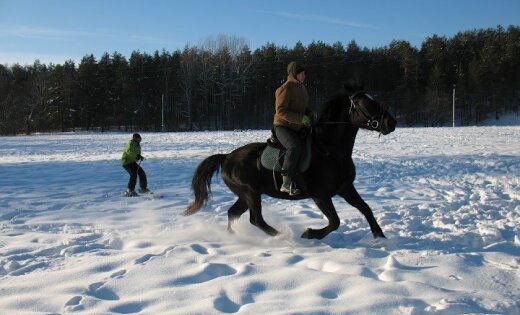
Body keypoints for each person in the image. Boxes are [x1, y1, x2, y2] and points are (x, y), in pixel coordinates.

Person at [273, 61, 313, 196]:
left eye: (304, 73)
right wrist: (301, 118)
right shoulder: (285, 89)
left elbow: (302, 107)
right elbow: (281, 111)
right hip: (282, 126)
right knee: (294, 147)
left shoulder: (302, 88)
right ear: (294, 74)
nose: (304, 76)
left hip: (296, 126)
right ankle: (286, 183)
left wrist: (309, 113)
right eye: (302, 73)